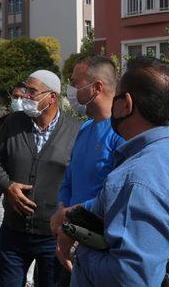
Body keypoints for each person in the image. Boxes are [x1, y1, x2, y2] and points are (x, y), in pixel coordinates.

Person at [71, 56, 169, 286]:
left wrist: (81, 252)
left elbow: (129, 278)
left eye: (116, 97)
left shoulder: (137, 178)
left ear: (126, 104)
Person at [0, 71, 81, 287]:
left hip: (52, 235)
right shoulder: (14, 123)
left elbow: (81, 179)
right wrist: (8, 185)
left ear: (52, 97)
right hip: (14, 232)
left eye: (32, 91)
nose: (25, 96)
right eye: (25, 90)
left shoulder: (75, 131)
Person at [48, 56, 125, 284]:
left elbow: (115, 195)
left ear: (97, 87)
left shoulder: (121, 133)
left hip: (101, 247)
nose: (70, 90)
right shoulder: (86, 128)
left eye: (75, 82)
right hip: (72, 240)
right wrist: (62, 210)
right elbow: (69, 180)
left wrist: (69, 216)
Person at [0, 84, 36, 287]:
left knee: (29, 240)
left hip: (27, 192)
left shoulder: (35, 123)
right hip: (1, 191)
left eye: (22, 96)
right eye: (15, 96)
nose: (18, 100)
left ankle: (27, 281)